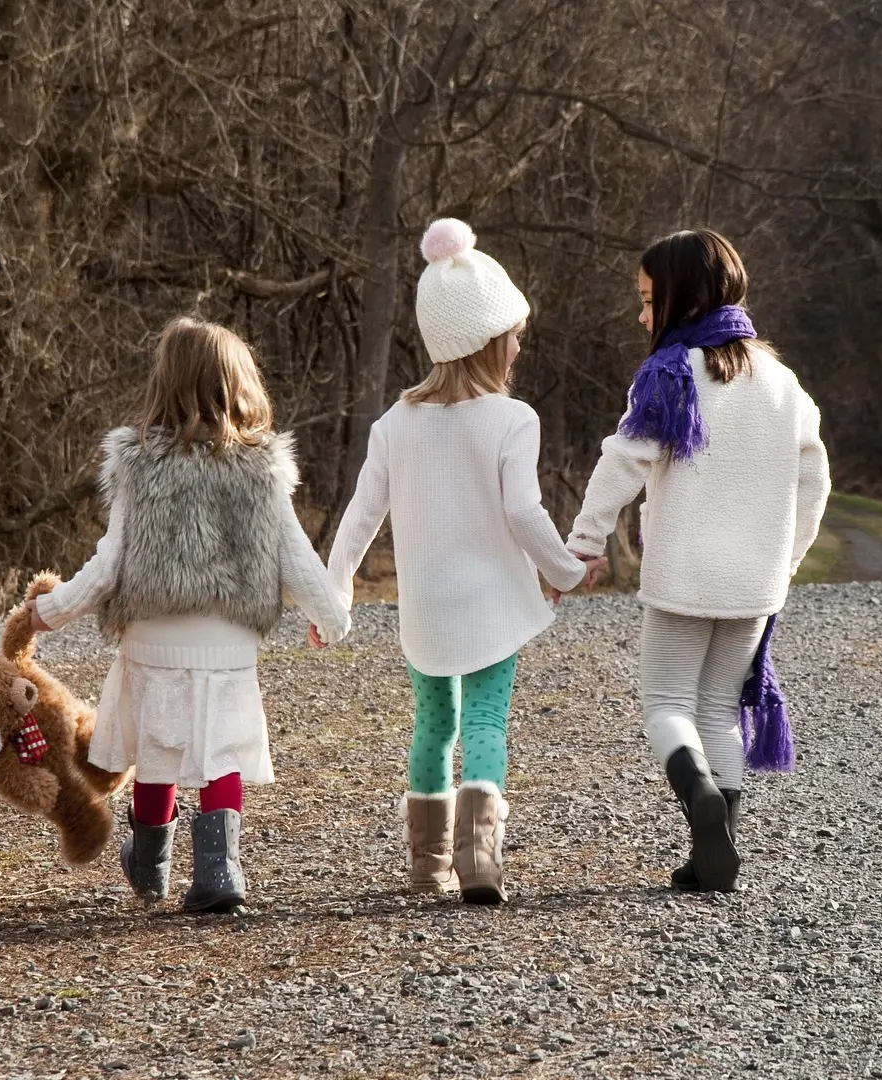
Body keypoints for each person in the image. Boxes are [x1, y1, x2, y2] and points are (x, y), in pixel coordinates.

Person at [27, 316, 348, 913]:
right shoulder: (261, 471)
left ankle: (149, 862)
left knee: (158, 750)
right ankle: (219, 871)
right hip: (226, 645)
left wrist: (50, 610)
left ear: (164, 383)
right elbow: (298, 558)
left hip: (152, 640)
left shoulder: (139, 466)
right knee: (219, 752)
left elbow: (107, 564)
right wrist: (331, 618)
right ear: (240, 385)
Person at [326, 218, 588, 904]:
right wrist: (563, 571)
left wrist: (336, 592)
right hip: (492, 607)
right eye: (514, 335)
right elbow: (526, 513)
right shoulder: (512, 419)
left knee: (434, 726)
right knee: (484, 723)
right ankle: (479, 860)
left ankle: (425, 867)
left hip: (426, 612)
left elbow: (360, 516)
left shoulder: (394, 424)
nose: (519, 346)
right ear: (487, 341)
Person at [565, 229, 830, 892]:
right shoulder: (782, 381)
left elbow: (623, 462)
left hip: (683, 575)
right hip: (755, 582)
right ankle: (718, 848)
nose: (641, 315)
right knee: (717, 707)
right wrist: (788, 559)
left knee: (664, 704)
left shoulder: (670, 374)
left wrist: (585, 543)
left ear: (682, 299)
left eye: (650, 300)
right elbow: (814, 479)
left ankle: (699, 797)